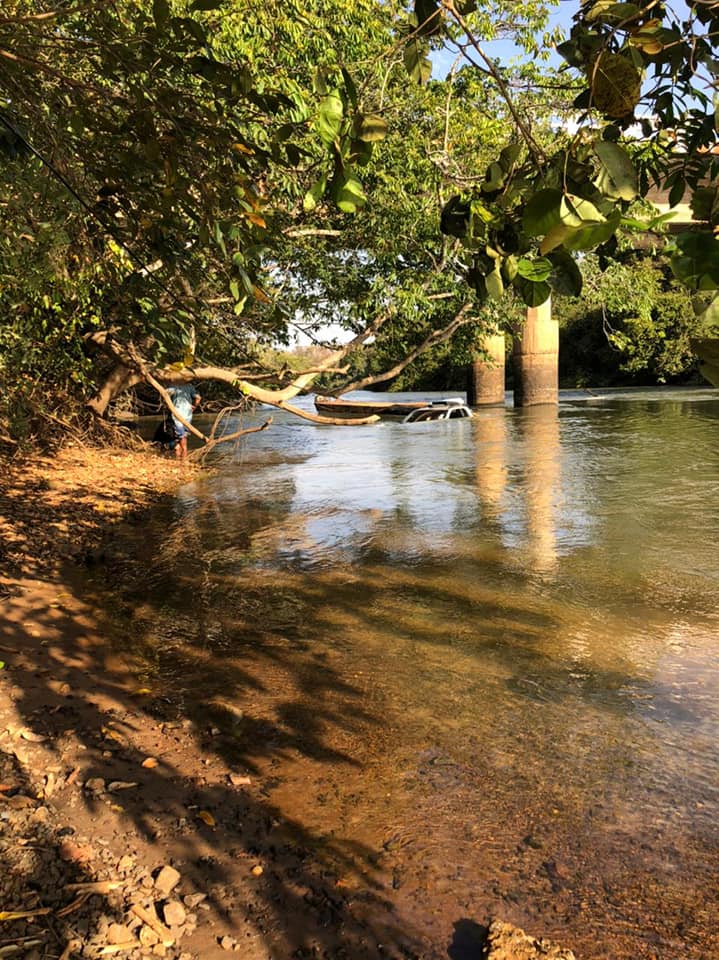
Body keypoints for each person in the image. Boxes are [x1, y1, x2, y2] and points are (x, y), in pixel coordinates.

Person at [163, 382, 201, 459]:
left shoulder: (173, 386)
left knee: (181, 436)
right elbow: (198, 398)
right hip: (188, 414)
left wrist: (168, 406)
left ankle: (183, 456)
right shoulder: (190, 386)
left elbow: (164, 394)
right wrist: (194, 407)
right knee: (183, 436)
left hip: (177, 414)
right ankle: (181, 457)